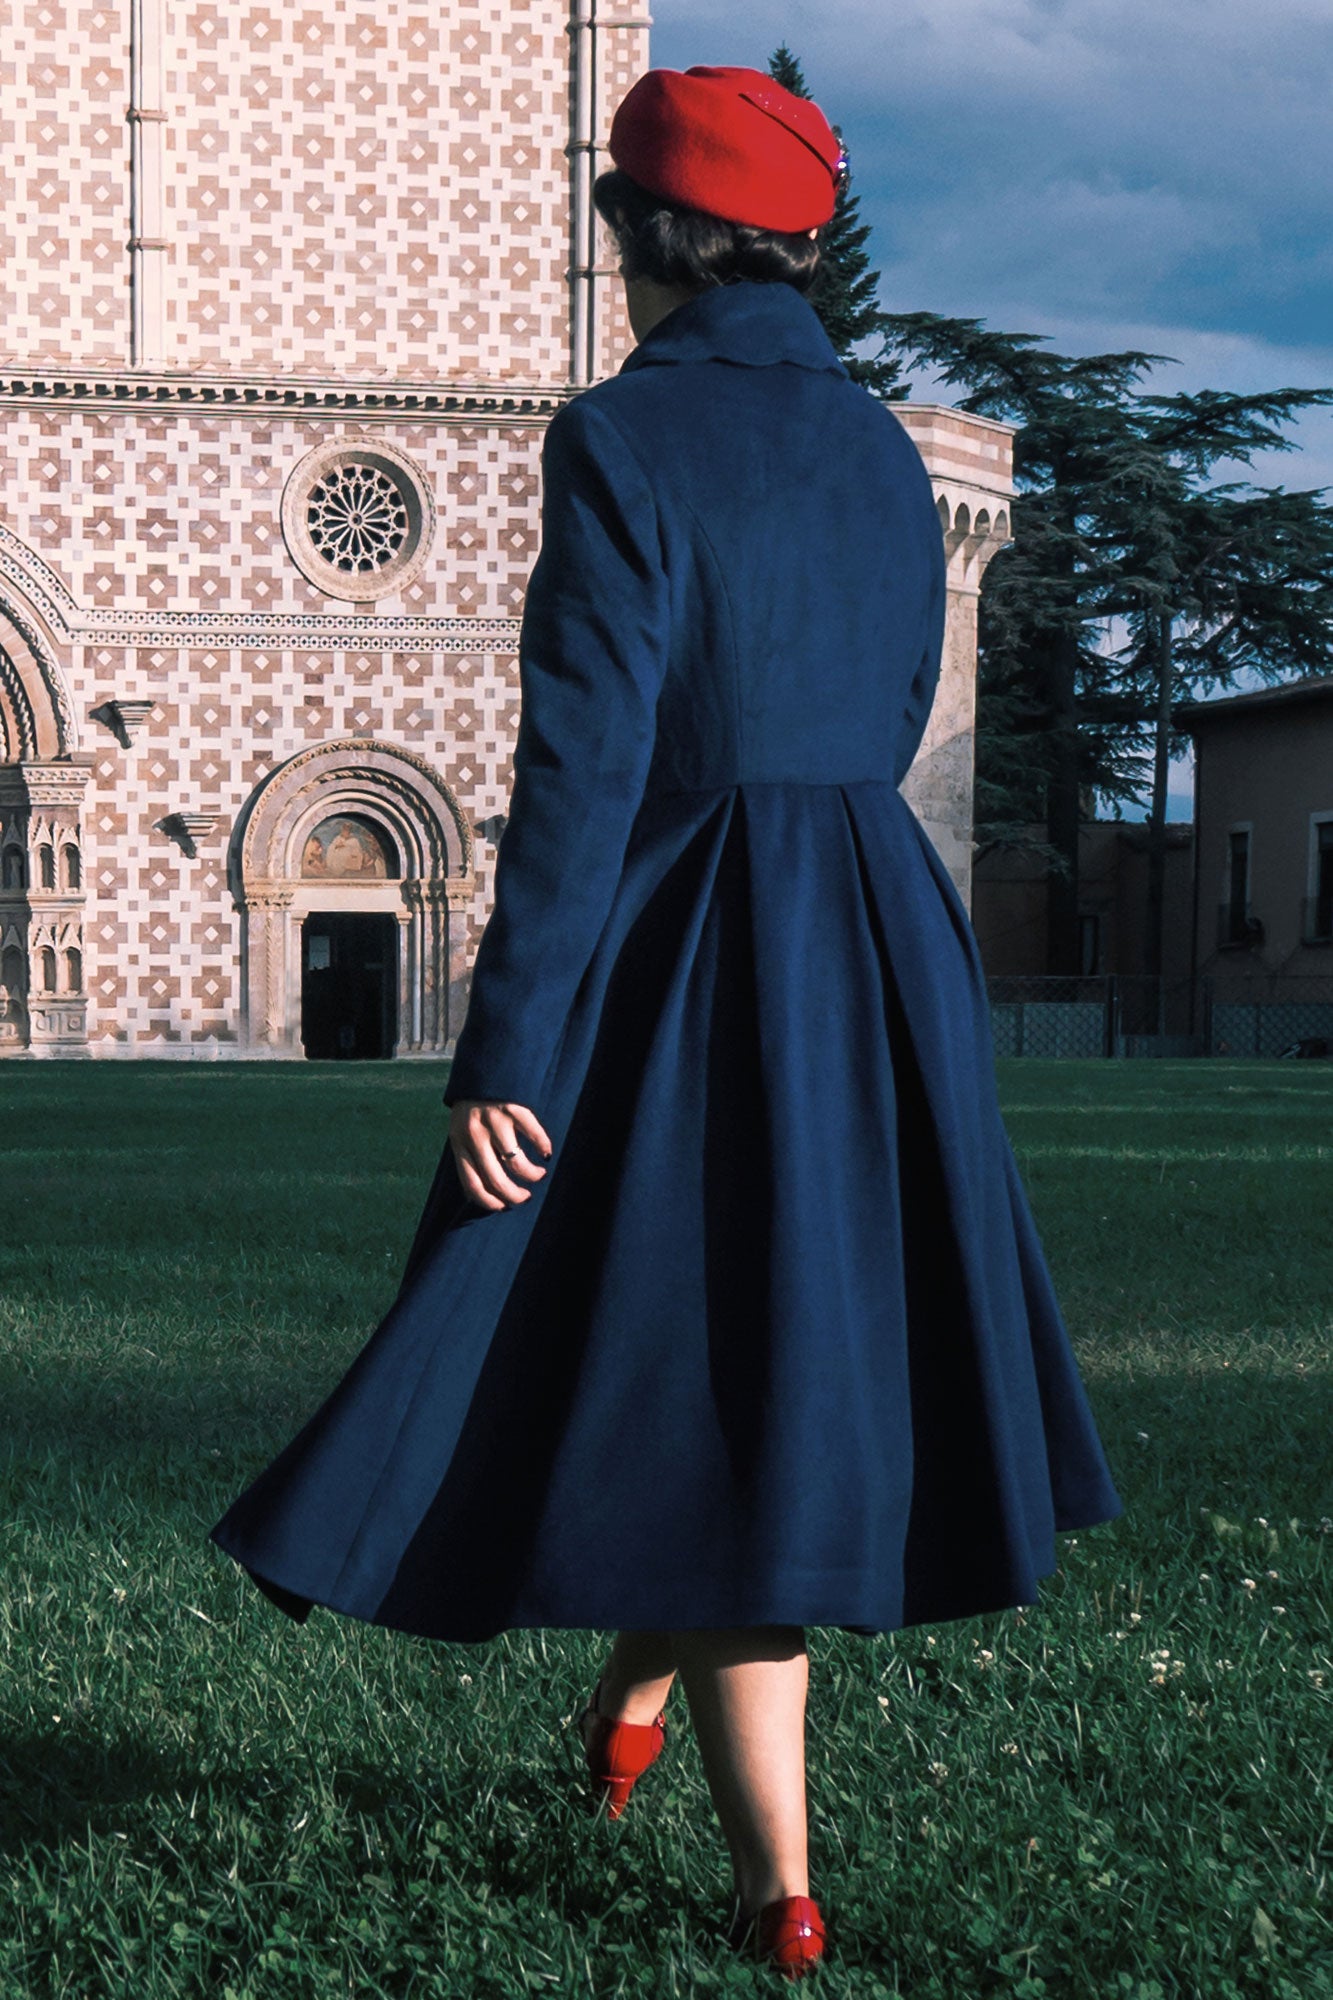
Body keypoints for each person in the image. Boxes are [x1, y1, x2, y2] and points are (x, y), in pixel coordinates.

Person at [211, 64, 1124, 1981]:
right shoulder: (884, 449)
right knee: (759, 1342)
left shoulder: (619, 435)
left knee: (704, 1359)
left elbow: (580, 769)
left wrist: (507, 1052)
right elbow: (895, 695)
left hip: (697, 933)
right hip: (876, 928)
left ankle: (779, 1885)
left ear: (650, 238)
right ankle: (630, 1711)